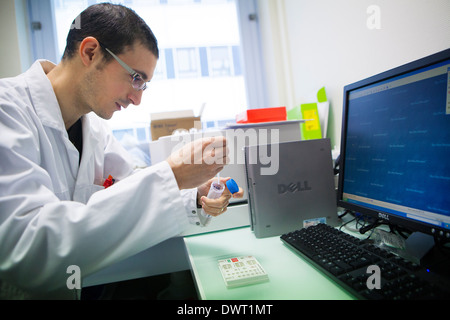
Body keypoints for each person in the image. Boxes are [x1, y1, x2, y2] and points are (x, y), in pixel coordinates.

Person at [0, 3, 243, 299]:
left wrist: (195, 194)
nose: (136, 99)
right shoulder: (7, 111)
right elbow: (30, 251)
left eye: (144, 85)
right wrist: (172, 173)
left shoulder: (95, 131)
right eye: (135, 78)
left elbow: (130, 192)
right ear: (90, 52)